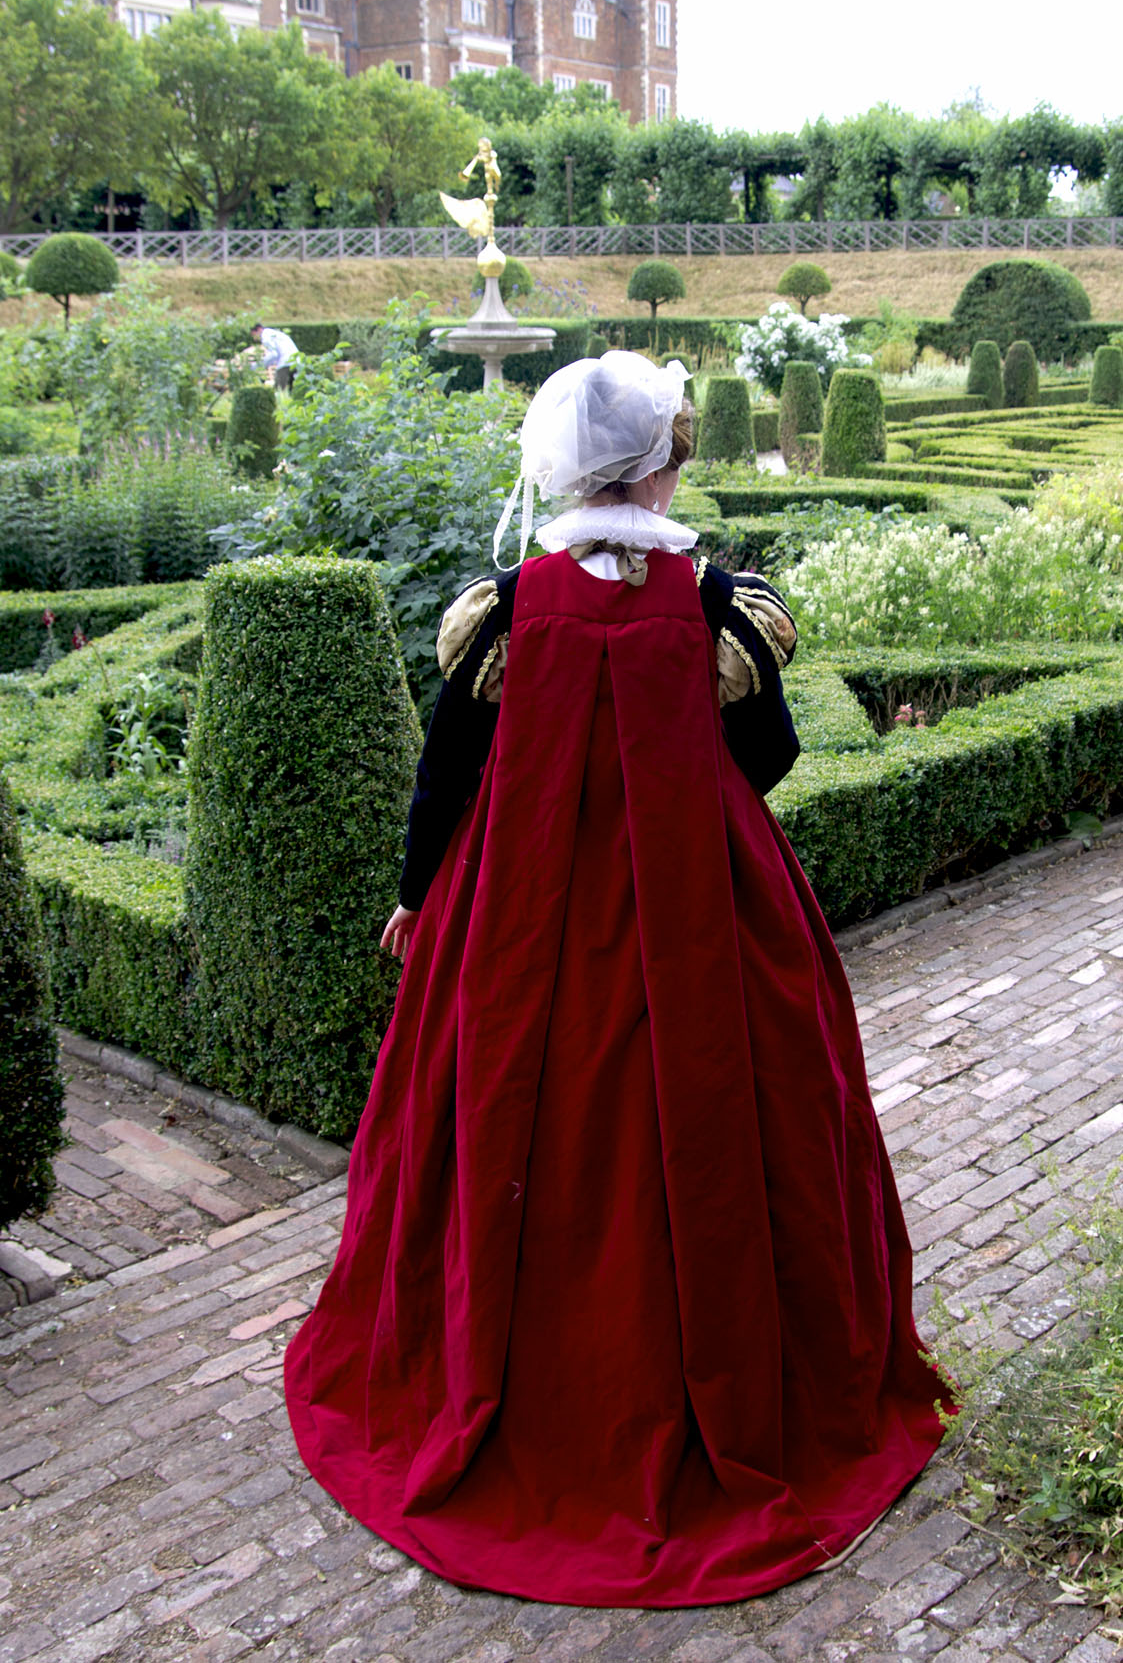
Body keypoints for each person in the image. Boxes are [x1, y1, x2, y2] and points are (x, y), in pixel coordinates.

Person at [284, 351, 950, 1609]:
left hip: (519, 915)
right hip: (700, 915)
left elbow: (449, 776)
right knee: (725, 1120)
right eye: (678, 448)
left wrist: (421, 894)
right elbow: (768, 760)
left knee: (501, 1124)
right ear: (656, 466)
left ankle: (515, 1393)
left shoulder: (501, 607)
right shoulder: (719, 607)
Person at [249, 321, 299, 390]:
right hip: (296, 361)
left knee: (278, 390)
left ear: (259, 329)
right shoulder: (273, 333)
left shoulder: (265, 336)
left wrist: (259, 365)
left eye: (254, 335)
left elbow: (273, 354)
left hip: (286, 362)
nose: (254, 338)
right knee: (293, 390)